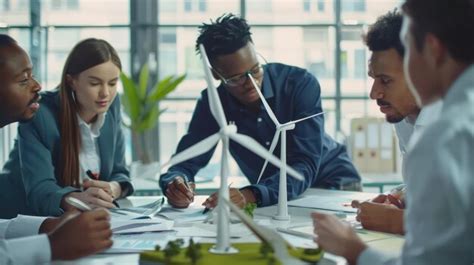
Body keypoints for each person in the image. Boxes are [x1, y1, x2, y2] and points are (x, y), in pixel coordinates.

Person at [312, 0, 474, 264]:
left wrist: (352, 249)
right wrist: (405, 196)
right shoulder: (411, 119)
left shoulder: (446, 136)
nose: (374, 93)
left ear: (433, 50)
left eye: (409, 51)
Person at [160, 13, 361, 209]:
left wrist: (250, 195)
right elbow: (185, 162)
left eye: (255, 70)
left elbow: (304, 164)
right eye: (237, 78)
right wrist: (176, 184)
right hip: (272, 196)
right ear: (216, 75)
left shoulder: (300, 84)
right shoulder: (213, 102)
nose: (251, 83)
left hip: (332, 182)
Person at [0, 34, 112, 263]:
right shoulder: (43, 118)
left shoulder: (108, 114)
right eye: (23, 80)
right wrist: (49, 246)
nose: (37, 85)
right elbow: (41, 190)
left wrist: (47, 226)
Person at [0, 38, 134, 218]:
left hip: (79, 221)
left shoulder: (112, 105)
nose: (105, 93)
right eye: (94, 83)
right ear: (71, 81)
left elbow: (120, 173)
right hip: (21, 218)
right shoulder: (37, 111)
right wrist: (76, 199)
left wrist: (112, 189)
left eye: (112, 83)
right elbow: (40, 190)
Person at [351, 10, 442, 235]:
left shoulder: (460, 122)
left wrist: (395, 221)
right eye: (373, 78)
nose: (374, 93)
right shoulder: (404, 116)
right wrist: (399, 199)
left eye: (385, 80)